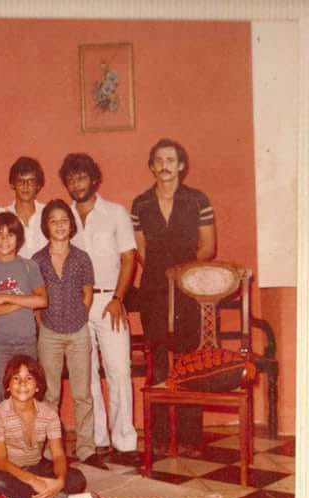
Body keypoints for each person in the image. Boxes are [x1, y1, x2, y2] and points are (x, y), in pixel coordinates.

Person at [131, 138, 216, 456]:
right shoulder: (141, 204)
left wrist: (182, 273)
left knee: (189, 362)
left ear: (181, 165)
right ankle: (160, 438)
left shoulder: (198, 200)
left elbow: (208, 247)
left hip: (189, 291)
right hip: (153, 291)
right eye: (158, 160)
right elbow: (140, 250)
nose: (164, 165)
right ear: (151, 167)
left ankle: (190, 438)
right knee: (158, 361)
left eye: (170, 160)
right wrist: (161, 274)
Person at [60, 153, 140, 465]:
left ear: (94, 179)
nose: (76, 184)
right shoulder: (63, 216)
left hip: (110, 302)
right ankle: (96, 441)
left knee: (119, 371)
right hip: (77, 304)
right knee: (86, 375)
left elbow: (129, 258)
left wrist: (119, 299)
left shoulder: (116, 213)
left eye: (81, 177)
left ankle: (125, 443)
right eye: (71, 179)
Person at [32, 200, 107, 470]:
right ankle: (50, 451)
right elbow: (36, 299)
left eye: (64, 220)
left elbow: (87, 293)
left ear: (71, 225)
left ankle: (86, 449)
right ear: (46, 226)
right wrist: (43, 325)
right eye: (53, 221)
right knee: (50, 395)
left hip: (78, 332)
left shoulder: (81, 258)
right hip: (49, 333)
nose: (59, 225)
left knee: (83, 393)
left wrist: (80, 316)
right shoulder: (37, 260)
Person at [0, 355, 102, 498]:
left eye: (29, 378)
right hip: (10, 472)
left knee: (76, 479)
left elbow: (58, 455)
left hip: (37, 467)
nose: (22, 383)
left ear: (37, 387)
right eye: (16, 378)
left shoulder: (49, 414)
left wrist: (59, 481)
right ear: (7, 386)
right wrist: (33, 481)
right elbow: (1, 461)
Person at [0, 211, 47, 405]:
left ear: (19, 238)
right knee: (3, 394)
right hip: (0, 345)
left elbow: (42, 300)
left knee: (29, 396)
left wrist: (5, 297)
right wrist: (23, 302)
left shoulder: (29, 266)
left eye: (10, 234)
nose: (4, 240)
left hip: (27, 342)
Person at [5, 156, 48, 258]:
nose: (25, 186)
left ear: (38, 185)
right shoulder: (4, 216)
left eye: (31, 181)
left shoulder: (48, 213)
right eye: (20, 181)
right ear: (13, 184)